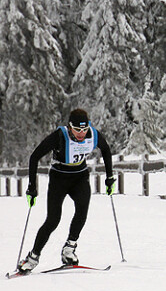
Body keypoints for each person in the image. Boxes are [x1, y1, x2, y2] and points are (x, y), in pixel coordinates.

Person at [17, 109, 115, 273]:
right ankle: (32, 257)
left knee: (82, 210)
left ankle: (69, 249)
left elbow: (106, 150)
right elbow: (34, 157)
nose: (81, 134)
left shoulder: (93, 134)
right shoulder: (59, 136)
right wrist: (32, 187)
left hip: (80, 177)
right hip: (59, 179)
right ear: (70, 127)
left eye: (84, 129)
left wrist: (110, 177)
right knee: (53, 220)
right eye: (77, 130)